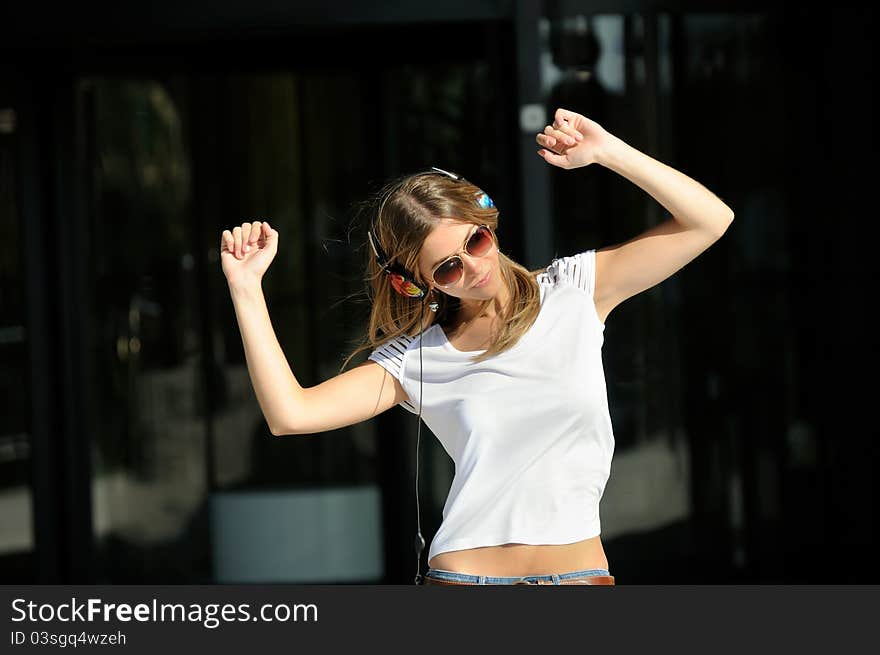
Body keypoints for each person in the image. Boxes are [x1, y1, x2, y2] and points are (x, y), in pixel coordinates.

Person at [220, 107, 734, 586]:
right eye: (447, 268)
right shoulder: (418, 358)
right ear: (416, 284)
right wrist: (246, 289)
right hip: (463, 582)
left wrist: (608, 151)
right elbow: (290, 414)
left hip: (579, 578)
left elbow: (710, 220)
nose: (474, 267)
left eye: (476, 242)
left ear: (486, 220)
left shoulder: (574, 290)